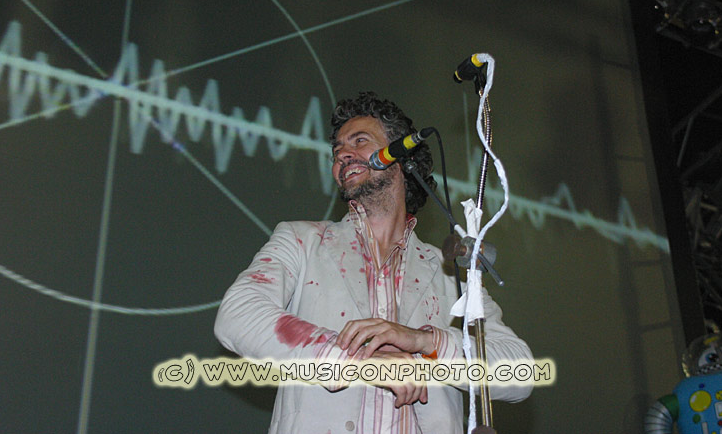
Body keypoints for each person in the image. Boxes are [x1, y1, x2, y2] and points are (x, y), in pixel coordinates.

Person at [214, 92, 532, 433]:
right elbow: (237, 314)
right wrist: (357, 359)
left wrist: (426, 342)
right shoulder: (301, 240)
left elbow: (520, 374)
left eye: (360, 141)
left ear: (401, 157)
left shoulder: (448, 268)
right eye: (337, 150)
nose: (342, 154)